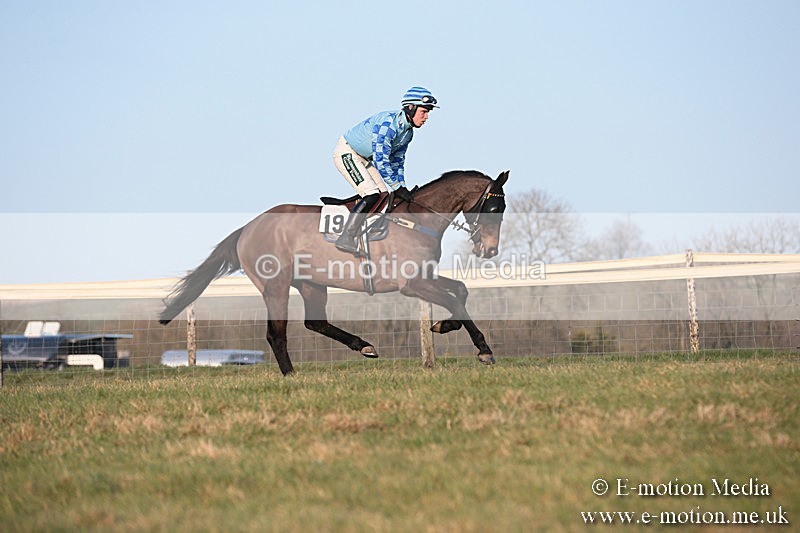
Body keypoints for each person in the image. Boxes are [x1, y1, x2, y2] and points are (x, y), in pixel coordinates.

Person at [333, 86, 438, 255]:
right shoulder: (388, 124)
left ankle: (365, 233)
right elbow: (381, 160)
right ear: (410, 108)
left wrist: (401, 186)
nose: (426, 117)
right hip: (347, 153)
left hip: (364, 158)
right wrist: (397, 187)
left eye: (428, 113)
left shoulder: (408, 133)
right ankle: (346, 236)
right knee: (371, 194)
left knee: (384, 195)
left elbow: (397, 162)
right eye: (424, 112)